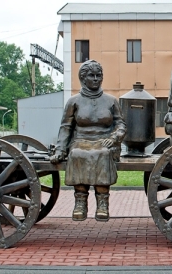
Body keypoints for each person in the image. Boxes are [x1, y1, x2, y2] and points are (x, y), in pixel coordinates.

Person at [50, 60, 126, 222]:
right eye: (92, 75)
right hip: (80, 141)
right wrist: (60, 150)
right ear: (83, 78)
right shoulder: (74, 101)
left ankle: (102, 204)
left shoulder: (111, 100)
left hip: (105, 142)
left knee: (102, 153)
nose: (96, 79)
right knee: (77, 154)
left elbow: (121, 124)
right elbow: (65, 127)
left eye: (99, 75)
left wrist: (114, 138)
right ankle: (80, 202)